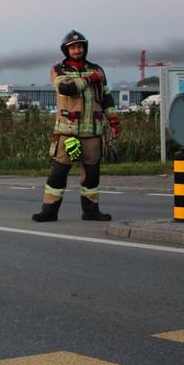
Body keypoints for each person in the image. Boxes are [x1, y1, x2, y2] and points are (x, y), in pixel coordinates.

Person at [32, 30, 120, 222]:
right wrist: (89, 79)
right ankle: (49, 211)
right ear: (66, 50)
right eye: (72, 47)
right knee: (58, 173)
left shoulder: (98, 70)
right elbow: (66, 88)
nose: (77, 50)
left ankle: (91, 211)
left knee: (92, 175)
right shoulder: (59, 70)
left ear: (85, 48)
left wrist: (113, 120)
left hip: (93, 133)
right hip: (67, 133)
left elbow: (106, 98)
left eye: (80, 46)